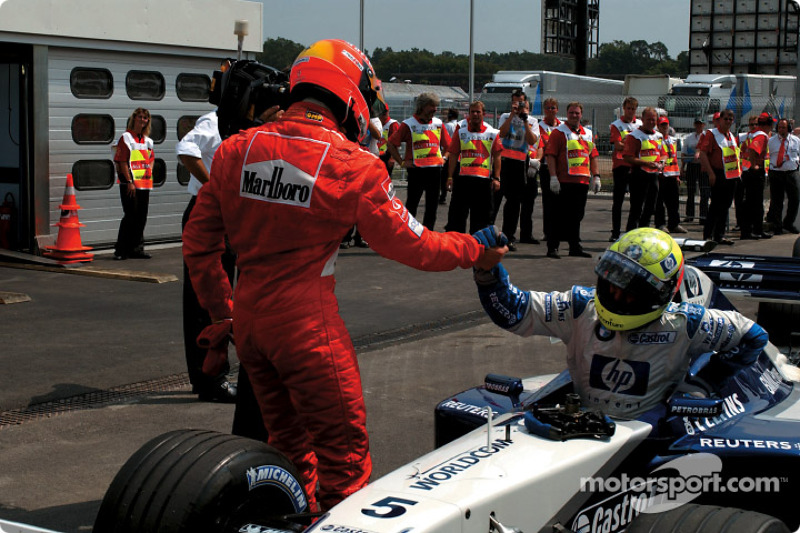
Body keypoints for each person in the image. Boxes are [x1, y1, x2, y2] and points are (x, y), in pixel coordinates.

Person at [182, 39, 506, 512]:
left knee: (288, 450)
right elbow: (416, 245)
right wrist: (475, 248)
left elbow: (198, 244)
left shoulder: (235, 150)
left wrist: (222, 314)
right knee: (346, 461)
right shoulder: (354, 166)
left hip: (250, 328)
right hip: (308, 331)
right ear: (350, 93)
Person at [473, 227, 768, 419]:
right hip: (582, 424)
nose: (614, 292)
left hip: (649, 434)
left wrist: (706, 382)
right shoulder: (580, 307)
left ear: (660, 292)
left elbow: (753, 336)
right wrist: (487, 270)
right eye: (611, 280)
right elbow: (514, 312)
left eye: (629, 288)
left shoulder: (686, 323)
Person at [176, 110, 238, 403]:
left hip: (229, 216)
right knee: (207, 301)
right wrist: (215, 188)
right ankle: (210, 378)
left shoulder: (247, 128)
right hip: (207, 212)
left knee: (224, 298)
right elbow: (186, 149)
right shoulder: (214, 121)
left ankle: (211, 375)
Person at [543, 101, 600, 259]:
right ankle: (552, 247)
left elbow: (593, 156)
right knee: (558, 215)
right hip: (563, 181)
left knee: (577, 216)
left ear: (581, 114)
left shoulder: (587, 133)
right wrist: (553, 177)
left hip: (582, 181)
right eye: (571, 113)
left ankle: (574, 246)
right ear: (567, 114)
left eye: (577, 113)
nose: (574, 116)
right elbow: (551, 155)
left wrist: (596, 176)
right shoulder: (558, 132)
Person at [387, 92, 451, 231]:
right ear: (422, 106)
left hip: (434, 170)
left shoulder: (438, 123)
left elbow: (449, 146)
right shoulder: (408, 124)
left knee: (432, 206)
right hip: (416, 171)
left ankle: (428, 234)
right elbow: (391, 144)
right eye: (432, 106)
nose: (435, 110)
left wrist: (444, 158)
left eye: (436, 106)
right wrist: (402, 162)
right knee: (412, 204)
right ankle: (408, 233)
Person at [444, 100, 503, 234]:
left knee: (481, 220)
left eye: (478, 112)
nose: (475, 114)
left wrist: (497, 178)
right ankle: (456, 248)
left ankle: (478, 249)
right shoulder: (460, 132)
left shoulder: (492, 133)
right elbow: (453, 155)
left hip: (483, 182)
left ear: (483, 114)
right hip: (463, 180)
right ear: (468, 114)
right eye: (472, 112)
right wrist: (449, 177)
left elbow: (497, 157)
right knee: (456, 218)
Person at [495, 90, 539, 251]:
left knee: (514, 203)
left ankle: (509, 236)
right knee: (495, 198)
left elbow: (532, 140)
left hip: (520, 164)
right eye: (515, 103)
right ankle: (487, 234)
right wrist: (513, 115)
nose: (518, 106)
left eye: (521, 103)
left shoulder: (533, 120)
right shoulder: (506, 116)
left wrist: (525, 120)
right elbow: (501, 133)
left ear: (526, 103)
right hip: (504, 161)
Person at [113, 108, 154, 260]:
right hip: (129, 183)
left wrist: (148, 172)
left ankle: (136, 248)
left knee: (141, 216)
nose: (142, 120)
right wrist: (130, 181)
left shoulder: (148, 140)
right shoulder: (126, 137)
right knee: (130, 215)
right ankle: (121, 250)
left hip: (144, 183)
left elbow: (150, 159)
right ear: (134, 119)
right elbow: (122, 161)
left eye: (145, 118)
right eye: (140, 117)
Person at [698, 108, 741, 245]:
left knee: (725, 206)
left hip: (731, 175)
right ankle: (707, 235)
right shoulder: (712, 134)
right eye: (726, 118)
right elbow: (703, 154)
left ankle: (719, 235)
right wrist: (710, 173)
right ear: (720, 120)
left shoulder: (731, 136)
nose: (728, 121)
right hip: (718, 174)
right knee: (715, 205)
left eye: (730, 119)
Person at [622, 107, 664, 231]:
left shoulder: (659, 136)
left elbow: (663, 153)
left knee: (651, 207)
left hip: (654, 175)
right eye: (648, 119)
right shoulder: (634, 136)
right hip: (639, 175)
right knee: (636, 208)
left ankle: (644, 231)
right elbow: (628, 157)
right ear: (642, 119)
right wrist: (646, 163)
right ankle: (631, 234)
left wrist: (662, 161)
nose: (651, 122)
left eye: (654, 120)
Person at [608, 97, 642, 241]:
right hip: (621, 165)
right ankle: (615, 232)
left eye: (633, 109)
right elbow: (618, 145)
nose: (630, 111)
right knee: (618, 201)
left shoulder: (640, 124)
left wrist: (627, 145)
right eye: (628, 108)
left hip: (636, 166)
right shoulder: (616, 125)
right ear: (623, 108)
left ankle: (632, 231)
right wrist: (633, 147)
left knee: (637, 201)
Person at [739, 113, 773, 239]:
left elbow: (744, 149)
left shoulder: (751, 134)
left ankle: (750, 230)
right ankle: (755, 230)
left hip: (747, 170)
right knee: (756, 203)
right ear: (768, 124)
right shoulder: (761, 136)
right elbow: (753, 149)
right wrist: (754, 165)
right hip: (754, 172)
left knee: (750, 202)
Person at [766, 118, 800, 235]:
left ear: (788, 128)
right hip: (776, 173)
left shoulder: (796, 141)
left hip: (791, 172)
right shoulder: (771, 141)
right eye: (779, 127)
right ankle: (777, 226)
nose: (781, 130)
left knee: (795, 199)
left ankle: (788, 223)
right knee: (777, 201)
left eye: (784, 127)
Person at [654, 116, 687, 234]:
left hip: (672, 174)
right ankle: (660, 224)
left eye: (666, 125)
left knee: (674, 202)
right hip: (661, 175)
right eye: (662, 125)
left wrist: (677, 176)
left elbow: (674, 158)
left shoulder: (673, 140)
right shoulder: (656, 139)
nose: (664, 127)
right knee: (659, 202)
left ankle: (674, 224)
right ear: (658, 127)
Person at [537, 97, 562, 245]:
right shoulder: (540, 126)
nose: (550, 110)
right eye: (548, 108)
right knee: (548, 201)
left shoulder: (562, 126)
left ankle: (560, 230)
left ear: (557, 110)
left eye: (553, 108)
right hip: (546, 167)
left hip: (561, 168)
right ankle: (548, 232)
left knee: (561, 202)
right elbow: (547, 144)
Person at [681, 118, 709, 223]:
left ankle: (703, 216)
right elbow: (683, 152)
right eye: (697, 124)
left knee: (704, 191)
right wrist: (682, 167)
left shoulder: (707, 136)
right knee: (690, 191)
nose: (699, 126)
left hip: (702, 166)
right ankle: (689, 215)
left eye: (700, 124)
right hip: (691, 165)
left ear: (704, 125)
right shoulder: (688, 137)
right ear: (694, 125)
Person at [440, 108, 460, 204]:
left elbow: (445, 141)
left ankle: (442, 196)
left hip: (449, 153)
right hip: (457, 154)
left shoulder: (447, 126)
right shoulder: (459, 125)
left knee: (444, 175)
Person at [378, 105, 399, 174]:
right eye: (382, 112)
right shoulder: (375, 123)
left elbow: (395, 143)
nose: (384, 114)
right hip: (375, 154)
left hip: (386, 156)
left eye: (385, 112)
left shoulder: (392, 124)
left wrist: (392, 158)